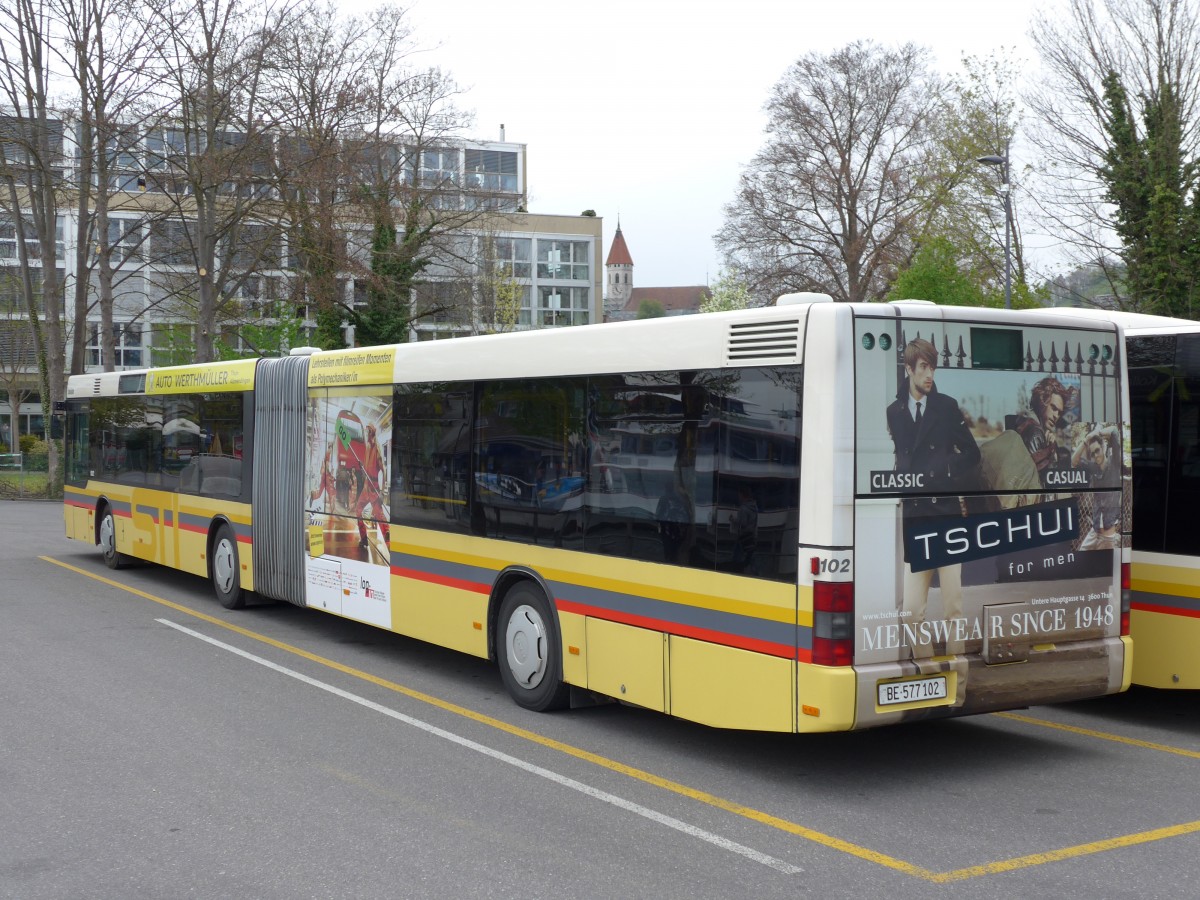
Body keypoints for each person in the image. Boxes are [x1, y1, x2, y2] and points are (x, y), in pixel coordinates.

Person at [886, 338, 981, 657]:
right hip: (916, 519)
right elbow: (901, 457)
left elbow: (971, 452)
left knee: (953, 609)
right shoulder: (894, 412)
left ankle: (959, 683)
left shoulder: (946, 406)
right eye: (924, 367)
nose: (930, 374)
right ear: (909, 369)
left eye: (933, 367)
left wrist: (943, 469)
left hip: (947, 519)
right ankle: (929, 672)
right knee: (911, 612)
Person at [1010, 377, 1071, 482]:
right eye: (1054, 408)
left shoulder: (1024, 422)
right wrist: (1052, 456)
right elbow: (1043, 482)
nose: (1056, 416)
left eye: (1059, 412)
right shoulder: (1036, 433)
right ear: (1042, 401)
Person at [1072, 425, 1121, 550]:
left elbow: (1114, 431)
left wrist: (1097, 432)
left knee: (1104, 568)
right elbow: (1074, 461)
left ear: (1103, 447)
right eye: (1092, 453)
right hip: (1094, 533)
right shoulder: (1093, 467)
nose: (1095, 455)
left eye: (1097, 450)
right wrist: (1086, 440)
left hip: (1108, 538)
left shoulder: (1114, 463)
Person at [356, 423, 391, 551]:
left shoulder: (376, 448)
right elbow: (366, 469)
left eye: (367, 431)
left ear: (372, 433)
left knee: (380, 518)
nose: (366, 433)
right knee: (358, 510)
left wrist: (382, 491)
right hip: (366, 488)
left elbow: (384, 470)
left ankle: (391, 548)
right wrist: (361, 466)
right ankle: (364, 538)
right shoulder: (367, 448)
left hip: (374, 489)